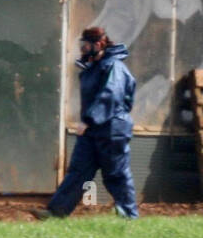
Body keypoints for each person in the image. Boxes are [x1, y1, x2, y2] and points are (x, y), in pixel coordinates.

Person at [40, 27, 139, 219]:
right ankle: (56, 212)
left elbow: (111, 95)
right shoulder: (95, 66)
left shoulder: (114, 67)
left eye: (86, 45)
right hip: (93, 131)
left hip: (112, 130)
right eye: (82, 45)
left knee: (116, 174)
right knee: (78, 171)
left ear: (99, 45)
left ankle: (129, 216)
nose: (83, 49)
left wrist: (89, 120)